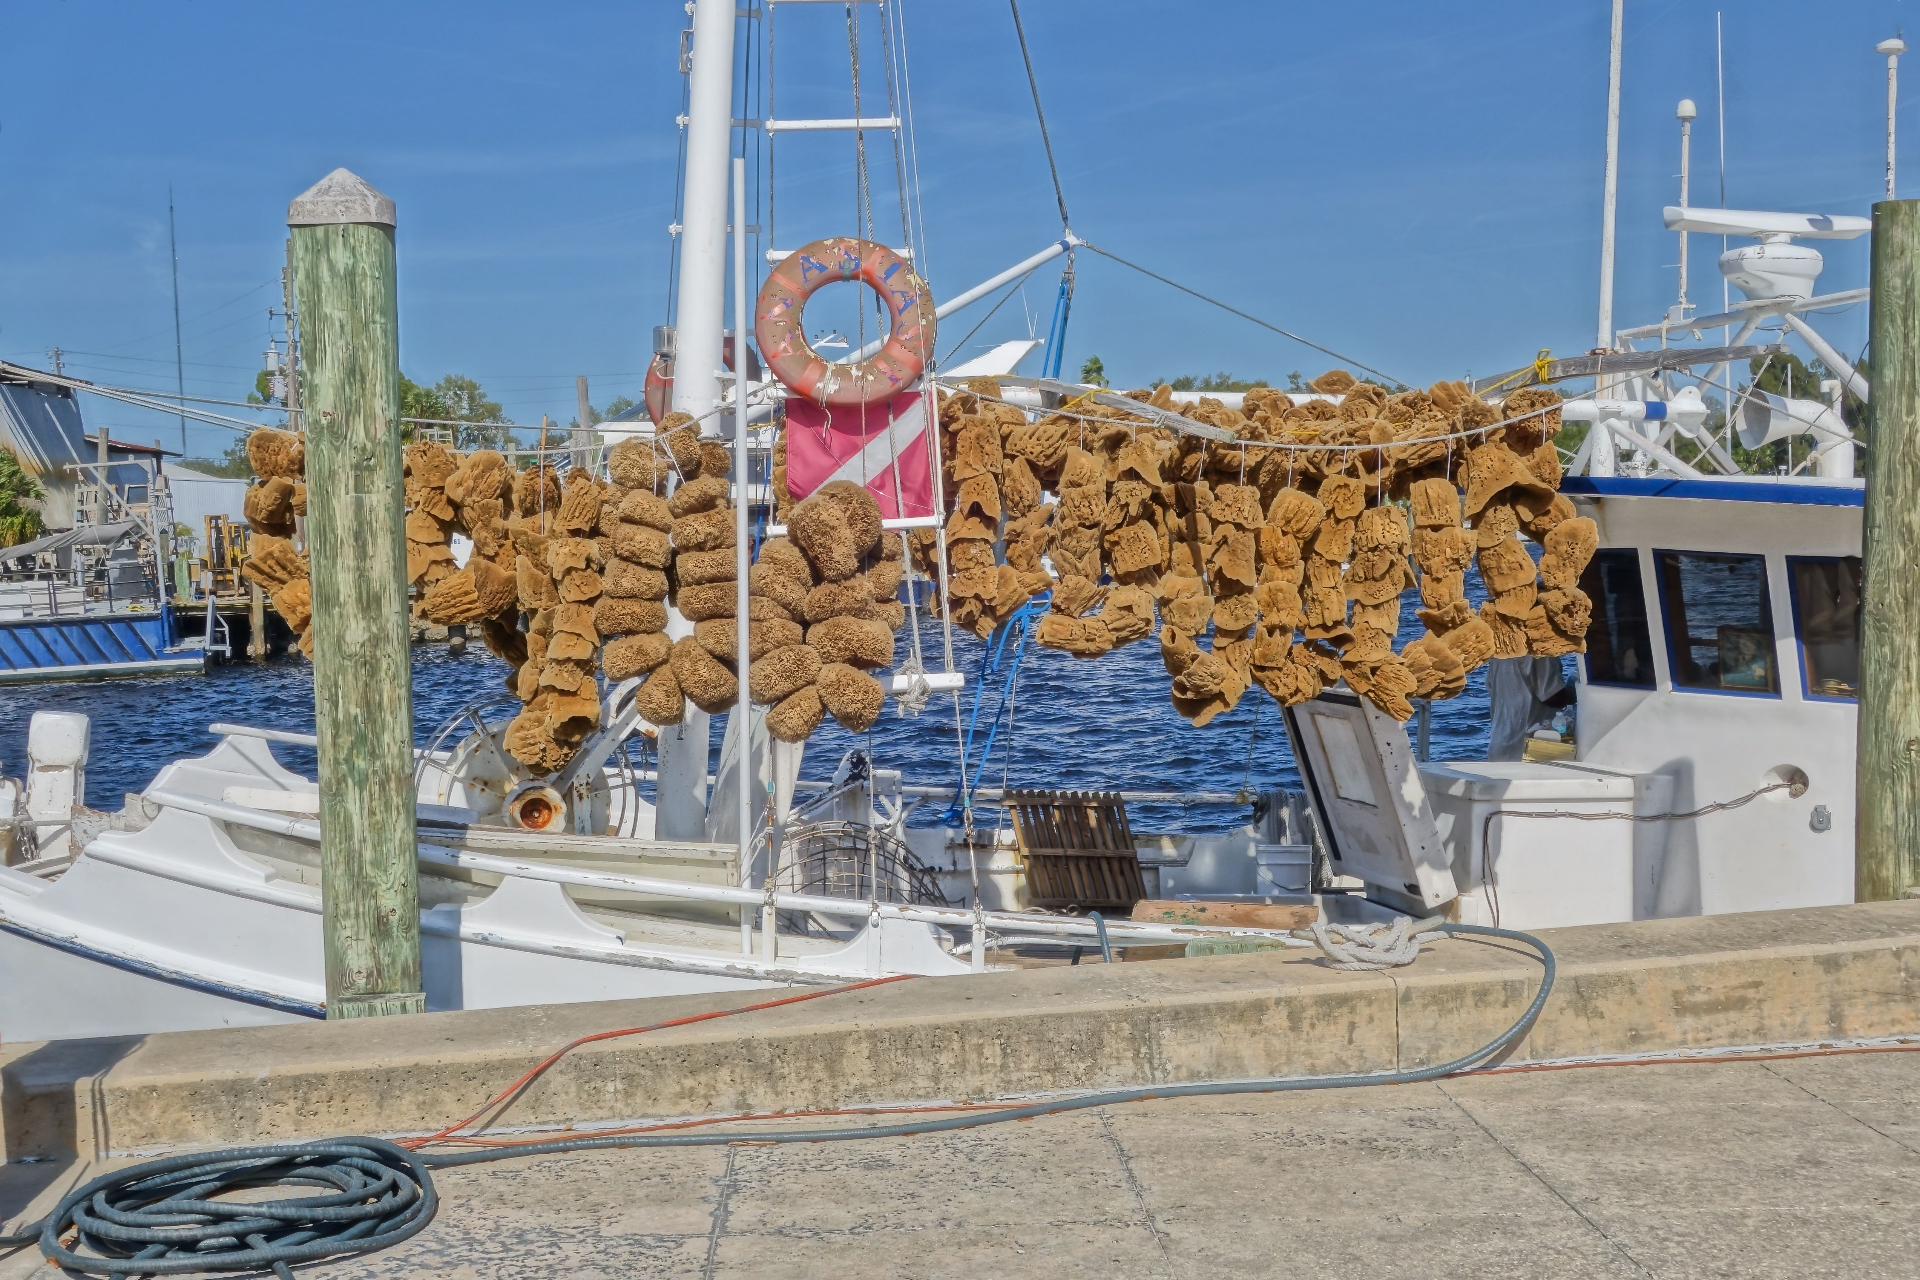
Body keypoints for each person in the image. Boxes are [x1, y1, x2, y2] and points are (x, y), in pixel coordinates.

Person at [1486, 655, 1576, 761]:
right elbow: (1553, 696)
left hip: (1499, 747)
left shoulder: (1499, 653)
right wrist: (1576, 687)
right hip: (1528, 748)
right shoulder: (1540, 650)